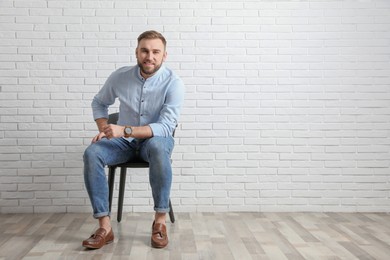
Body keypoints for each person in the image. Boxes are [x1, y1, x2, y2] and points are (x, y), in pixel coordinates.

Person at [82, 30, 185, 249]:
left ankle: (159, 222)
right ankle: (105, 227)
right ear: (137, 52)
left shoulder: (174, 83)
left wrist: (124, 130)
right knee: (92, 152)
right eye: (145, 51)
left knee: (158, 147)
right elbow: (99, 102)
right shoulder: (120, 76)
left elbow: (166, 126)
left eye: (156, 51)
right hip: (122, 144)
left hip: (155, 141)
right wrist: (104, 128)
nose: (150, 56)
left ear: (164, 55)